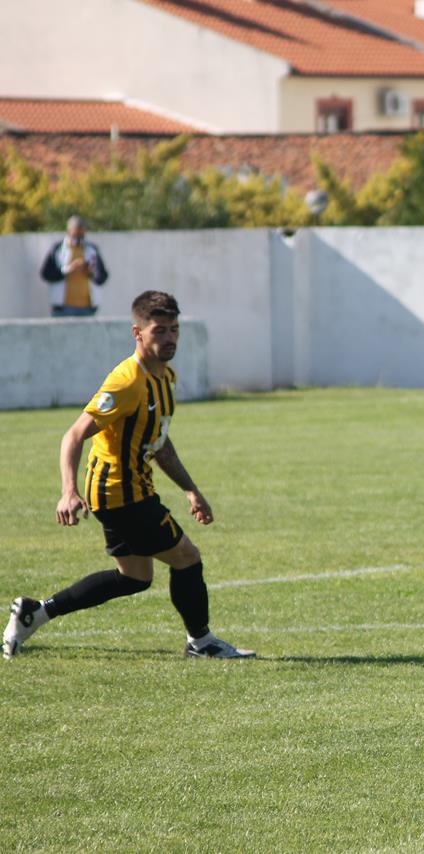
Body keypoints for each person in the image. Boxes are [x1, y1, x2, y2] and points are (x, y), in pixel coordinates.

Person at [3, 290, 254, 660]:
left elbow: (161, 445)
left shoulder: (165, 378)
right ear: (138, 333)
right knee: (187, 558)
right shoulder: (125, 382)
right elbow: (73, 435)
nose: (169, 338)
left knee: (134, 578)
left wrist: (191, 490)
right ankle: (201, 643)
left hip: (130, 490)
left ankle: (34, 612)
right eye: (159, 331)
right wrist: (67, 491)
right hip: (120, 492)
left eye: (174, 329)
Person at [41, 215, 109, 317]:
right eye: (75, 234)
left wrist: (89, 273)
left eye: (81, 234)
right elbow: (46, 274)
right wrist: (68, 270)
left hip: (88, 308)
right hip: (62, 309)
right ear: (69, 231)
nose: (78, 238)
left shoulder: (92, 250)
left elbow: (102, 277)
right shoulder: (58, 249)